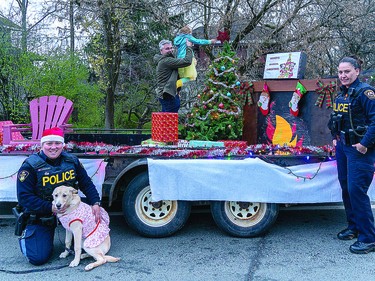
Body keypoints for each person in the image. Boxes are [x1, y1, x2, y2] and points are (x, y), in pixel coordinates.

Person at [16, 127, 102, 265]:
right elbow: (24, 197)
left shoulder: (72, 161)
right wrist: (50, 207)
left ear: (63, 145)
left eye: (57, 143)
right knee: (38, 258)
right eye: (49, 143)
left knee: (90, 230)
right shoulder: (30, 166)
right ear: (42, 145)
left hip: (70, 209)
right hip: (42, 214)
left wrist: (96, 203)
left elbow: (86, 183)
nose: (53, 147)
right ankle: (30, 237)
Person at [328, 56, 375, 254]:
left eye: (347, 71)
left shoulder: (366, 92)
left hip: (360, 150)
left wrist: (364, 144)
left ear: (357, 71)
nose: (343, 75)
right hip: (343, 147)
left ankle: (368, 238)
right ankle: (354, 227)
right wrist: (335, 136)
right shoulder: (344, 93)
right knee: (346, 188)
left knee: (357, 190)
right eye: (340, 72)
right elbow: (339, 118)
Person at [154, 39, 194, 113]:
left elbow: (173, 77)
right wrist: (189, 47)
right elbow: (187, 61)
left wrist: (176, 91)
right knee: (170, 120)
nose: (170, 50)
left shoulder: (165, 60)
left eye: (171, 48)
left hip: (166, 94)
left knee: (166, 119)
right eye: (167, 48)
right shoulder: (167, 61)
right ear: (161, 51)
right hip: (168, 96)